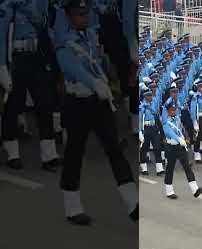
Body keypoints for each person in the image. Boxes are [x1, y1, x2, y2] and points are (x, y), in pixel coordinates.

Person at [56, 0, 138, 225]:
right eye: (78, 15)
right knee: (74, 151)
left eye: (85, 13)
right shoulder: (65, 43)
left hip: (98, 103)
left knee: (114, 149)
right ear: (69, 17)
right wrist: (94, 82)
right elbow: (71, 67)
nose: (83, 18)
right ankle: (72, 207)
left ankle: (133, 204)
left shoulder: (92, 37)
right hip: (77, 102)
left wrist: (107, 81)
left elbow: (101, 63)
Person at [1, 0, 61, 171]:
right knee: (13, 105)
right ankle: (13, 154)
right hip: (16, 59)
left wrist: (33, 12)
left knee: (45, 103)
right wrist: (2, 67)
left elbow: (44, 24)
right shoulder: (7, 5)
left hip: (37, 56)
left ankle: (49, 155)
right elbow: (1, 37)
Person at [162, 101, 202, 199]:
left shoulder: (177, 119)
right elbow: (169, 133)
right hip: (171, 147)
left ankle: (195, 189)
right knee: (170, 169)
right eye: (171, 110)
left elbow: (181, 130)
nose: (173, 111)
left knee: (187, 167)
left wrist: (185, 137)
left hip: (180, 147)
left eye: (174, 110)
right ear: (167, 112)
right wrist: (178, 139)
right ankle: (169, 191)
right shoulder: (166, 122)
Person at [139, 89, 165, 176]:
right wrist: (140, 132)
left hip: (153, 128)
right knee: (144, 148)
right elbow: (140, 121)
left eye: (151, 95)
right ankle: (144, 168)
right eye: (148, 95)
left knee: (157, 147)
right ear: (144, 97)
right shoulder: (142, 107)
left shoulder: (152, 105)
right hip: (146, 128)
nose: (150, 97)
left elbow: (156, 115)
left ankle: (159, 169)